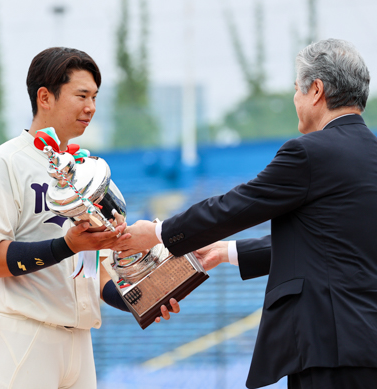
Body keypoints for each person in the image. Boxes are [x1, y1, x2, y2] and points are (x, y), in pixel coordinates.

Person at [113, 39, 377, 389]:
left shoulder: (310, 154)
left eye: (297, 90)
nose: (295, 100)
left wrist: (159, 233)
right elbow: (332, 245)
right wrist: (227, 252)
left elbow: (235, 206)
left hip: (328, 346)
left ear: (316, 90)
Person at [0, 47, 178, 389]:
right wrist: (66, 245)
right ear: (45, 97)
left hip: (79, 342)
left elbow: (94, 273)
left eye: (95, 96)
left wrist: (145, 299)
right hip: (22, 336)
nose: (91, 107)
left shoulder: (87, 171)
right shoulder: (3, 164)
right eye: (81, 95)